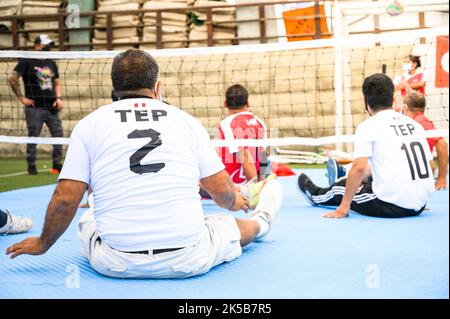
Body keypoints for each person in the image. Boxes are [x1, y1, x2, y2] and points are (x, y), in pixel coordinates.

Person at [6, 49, 283, 279]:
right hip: (188, 259)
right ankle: (262, 223)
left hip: (114, 263)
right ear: (158, 88)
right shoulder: (185, 121)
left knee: (89, 218)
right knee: (226, 225)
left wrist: (43, 243)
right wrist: (235, 201)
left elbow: (66, 197)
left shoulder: (89, 124)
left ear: (114, 90)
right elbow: (221, 193)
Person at [298, 73, 434, 218]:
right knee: (370, 173)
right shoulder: (415, 125)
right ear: (393, 99)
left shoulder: (368, 126)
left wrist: (343, 208)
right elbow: (431, 166)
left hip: (391, 206)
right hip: (420, 204)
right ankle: (348, 175)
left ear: (365, 102)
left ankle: (314, 194)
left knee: (340, 188)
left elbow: (359, 167)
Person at [7, 34, 64, 175]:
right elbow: (12, 77)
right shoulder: (26, 61)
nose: (48, 49)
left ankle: (57, 165)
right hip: (34, 108)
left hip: (52, 107)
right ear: (37, 46)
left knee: (59, 135)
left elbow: (57, 83)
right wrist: (21, 98)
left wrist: (59, 98)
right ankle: (31, 167)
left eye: (50, 46)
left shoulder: (51, 63)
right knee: (33, 137)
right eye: (46, 46)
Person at [218, 84, 268, 184]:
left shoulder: (227, 123)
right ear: (248, 103)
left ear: (225, 103)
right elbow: (263, 156)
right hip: (254, 179)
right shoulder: (260, 123)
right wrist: (261, 182)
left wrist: (254, 188)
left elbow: (244, 155)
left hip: (233, 184)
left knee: (197, 184)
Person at [403, 92, 448, 190]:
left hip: (419, 176)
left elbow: (442, 144)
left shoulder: (420, 122)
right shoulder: (413, 122)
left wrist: (442, 177)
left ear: (405, 107)